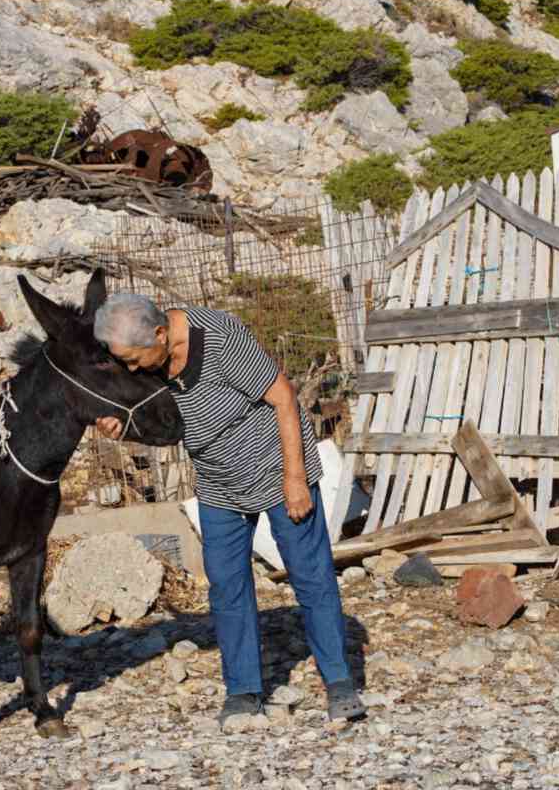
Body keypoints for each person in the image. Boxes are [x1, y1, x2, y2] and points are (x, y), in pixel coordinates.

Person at [93, 294, 365, 725]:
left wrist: (295, 479)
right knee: (226, 585)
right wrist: (123, 429)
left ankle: (339, 681)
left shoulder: (219, 337)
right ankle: (243, 690)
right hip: (219, 481)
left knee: (309, 574)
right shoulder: (154, 361)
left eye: (133, 358)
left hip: (276, 466)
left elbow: (283, 396)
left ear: (160, 334)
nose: (131, 369)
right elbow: (170, 427)